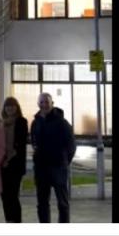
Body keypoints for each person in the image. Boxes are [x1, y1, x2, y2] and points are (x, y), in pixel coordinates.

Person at [30, 92, 77, 223]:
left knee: (62, 203)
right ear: (38, 104)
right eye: (41, 102)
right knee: (42, 203)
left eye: (46, 102)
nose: (44, 104)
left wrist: (64, 162)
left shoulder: (62, 122)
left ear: (52, 103)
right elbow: (34, 140)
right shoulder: (35, 122)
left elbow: (71, 145)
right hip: (41, 168)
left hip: (58, 167)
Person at [0, 96, 29, 222]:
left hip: (15, 164)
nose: (10, 108)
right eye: (7, 106)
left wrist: (8, 159)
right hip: (1, 165)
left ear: (17, 108)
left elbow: (20, 143)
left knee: (13, 195)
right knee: (4, 195)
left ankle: (16, 222)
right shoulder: (1, 122)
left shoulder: (22, 121)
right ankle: (9, 221)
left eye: (12, 106)